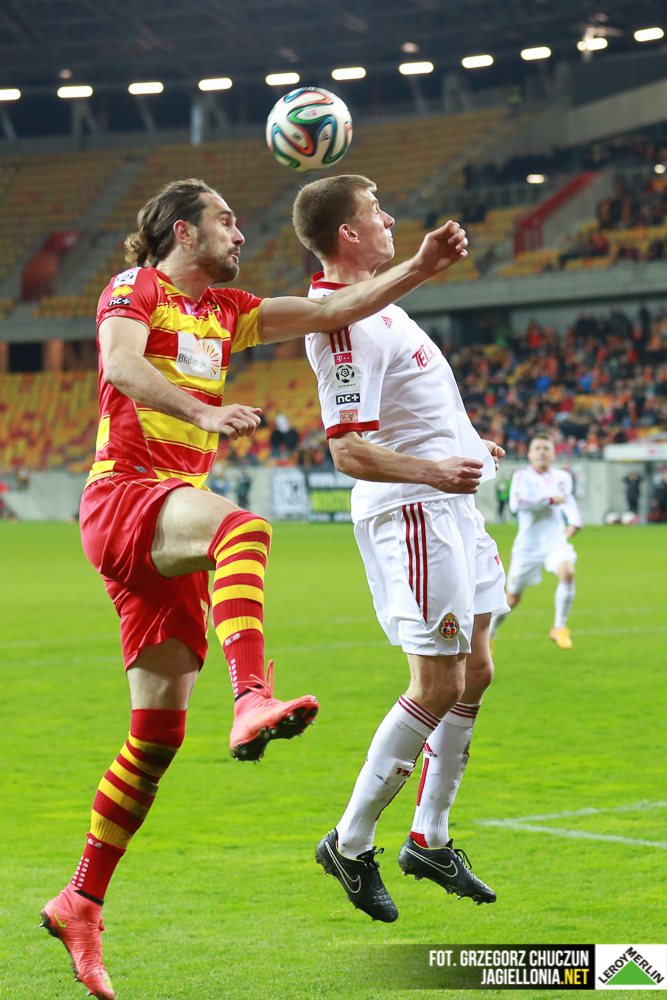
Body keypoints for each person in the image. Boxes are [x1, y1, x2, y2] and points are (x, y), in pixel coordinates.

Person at [40, 178, 469, 998]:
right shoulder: (137, 287)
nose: (241, 233)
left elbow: (334, 310)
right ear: (181, 231)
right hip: (127, 494)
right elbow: (121, 365)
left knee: (155, 738)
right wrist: (200, 413)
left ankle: (79, 902)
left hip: (165, 526)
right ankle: (249, 698)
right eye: (226, 221)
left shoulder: (229, 311)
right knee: (244, 529)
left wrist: (418, 267)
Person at [293, 173, 508, 922]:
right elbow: (348, 451)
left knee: (476, 669)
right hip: (414, 511)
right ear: (348, 233)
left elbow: (411, 410)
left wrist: (466, 447)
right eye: (376, 211)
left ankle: (429, 837)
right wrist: (434, 469)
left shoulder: (380, 302)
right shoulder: (342, 325)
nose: (389, 219)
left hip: (452, 506)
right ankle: (349, 843)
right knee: (436, 683)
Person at [489, 434, 582, 651]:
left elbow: (568, 501)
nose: (542, 452)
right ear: (529, 454)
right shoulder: (522, 476)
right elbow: (517, 505)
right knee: (511, 599)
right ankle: (489, 636)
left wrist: (575, 522)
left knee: (567, 571)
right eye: (537, 448)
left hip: (554, 542)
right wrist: (548, 500)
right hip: (528, 547)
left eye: (546, 448)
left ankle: (559, 627)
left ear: (553, 453)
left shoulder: (562, 477)